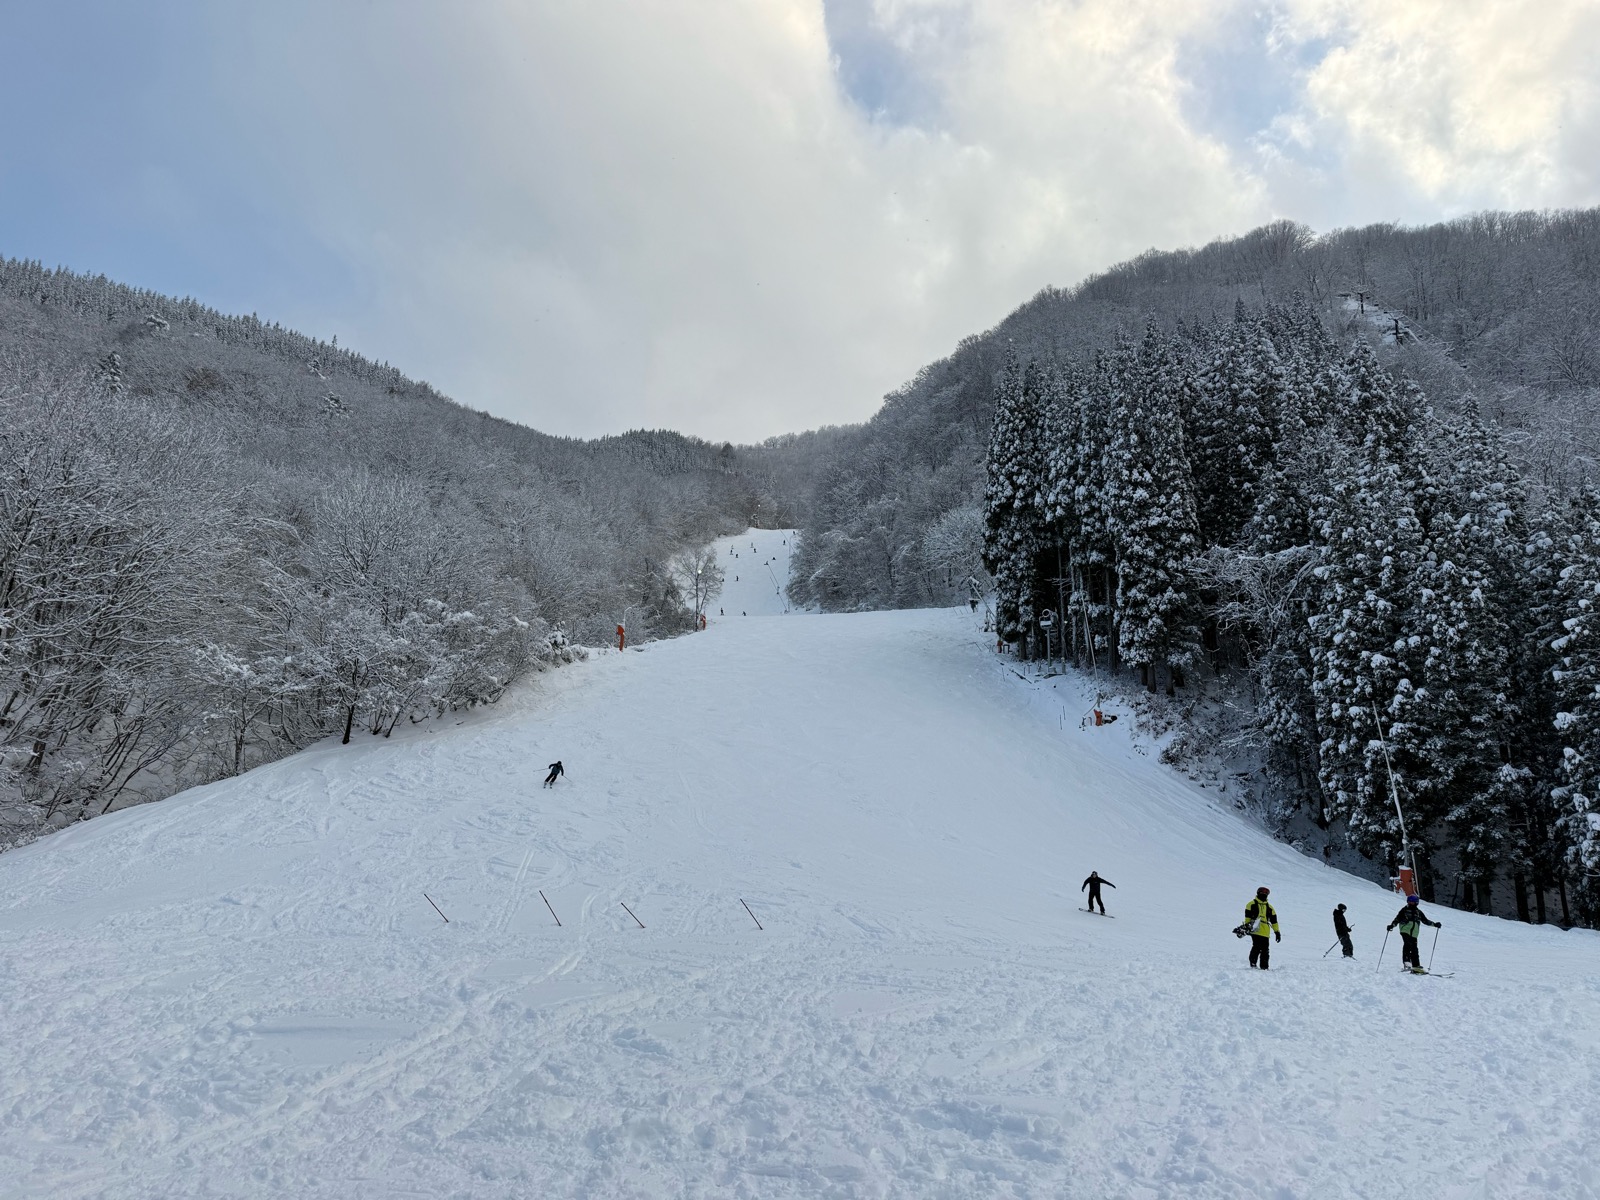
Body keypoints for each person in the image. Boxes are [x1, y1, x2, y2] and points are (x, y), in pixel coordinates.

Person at [1386, 894, 1441, 972]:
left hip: (1414, 933)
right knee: (1407, 944)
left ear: (1416, 903)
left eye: (1412, 902)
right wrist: (1392, 926)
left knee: (1414, 948)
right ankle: (1407, 962)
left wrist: (1435, 924)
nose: (1411, 904)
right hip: (1405, 930)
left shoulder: (1418, 912)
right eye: (1409, 902)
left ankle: (1416, 965)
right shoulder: (1404, 910)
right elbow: (1397, 919)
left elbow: (1425, 921)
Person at [1244, 886, 1280, 969]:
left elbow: (1274, 921)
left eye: (1266, 893)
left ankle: (1264, 967)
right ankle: (1253, 964)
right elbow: (1247, 918)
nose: (1264, 894)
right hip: (1255, 929)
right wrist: (1247, 927)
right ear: (1258, 893)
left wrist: (1277, 932)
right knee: (1256, 946)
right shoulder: (1251, 904)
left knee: (1265, 950)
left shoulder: (1270, 908)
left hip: (1265, 932)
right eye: (1262, 892)